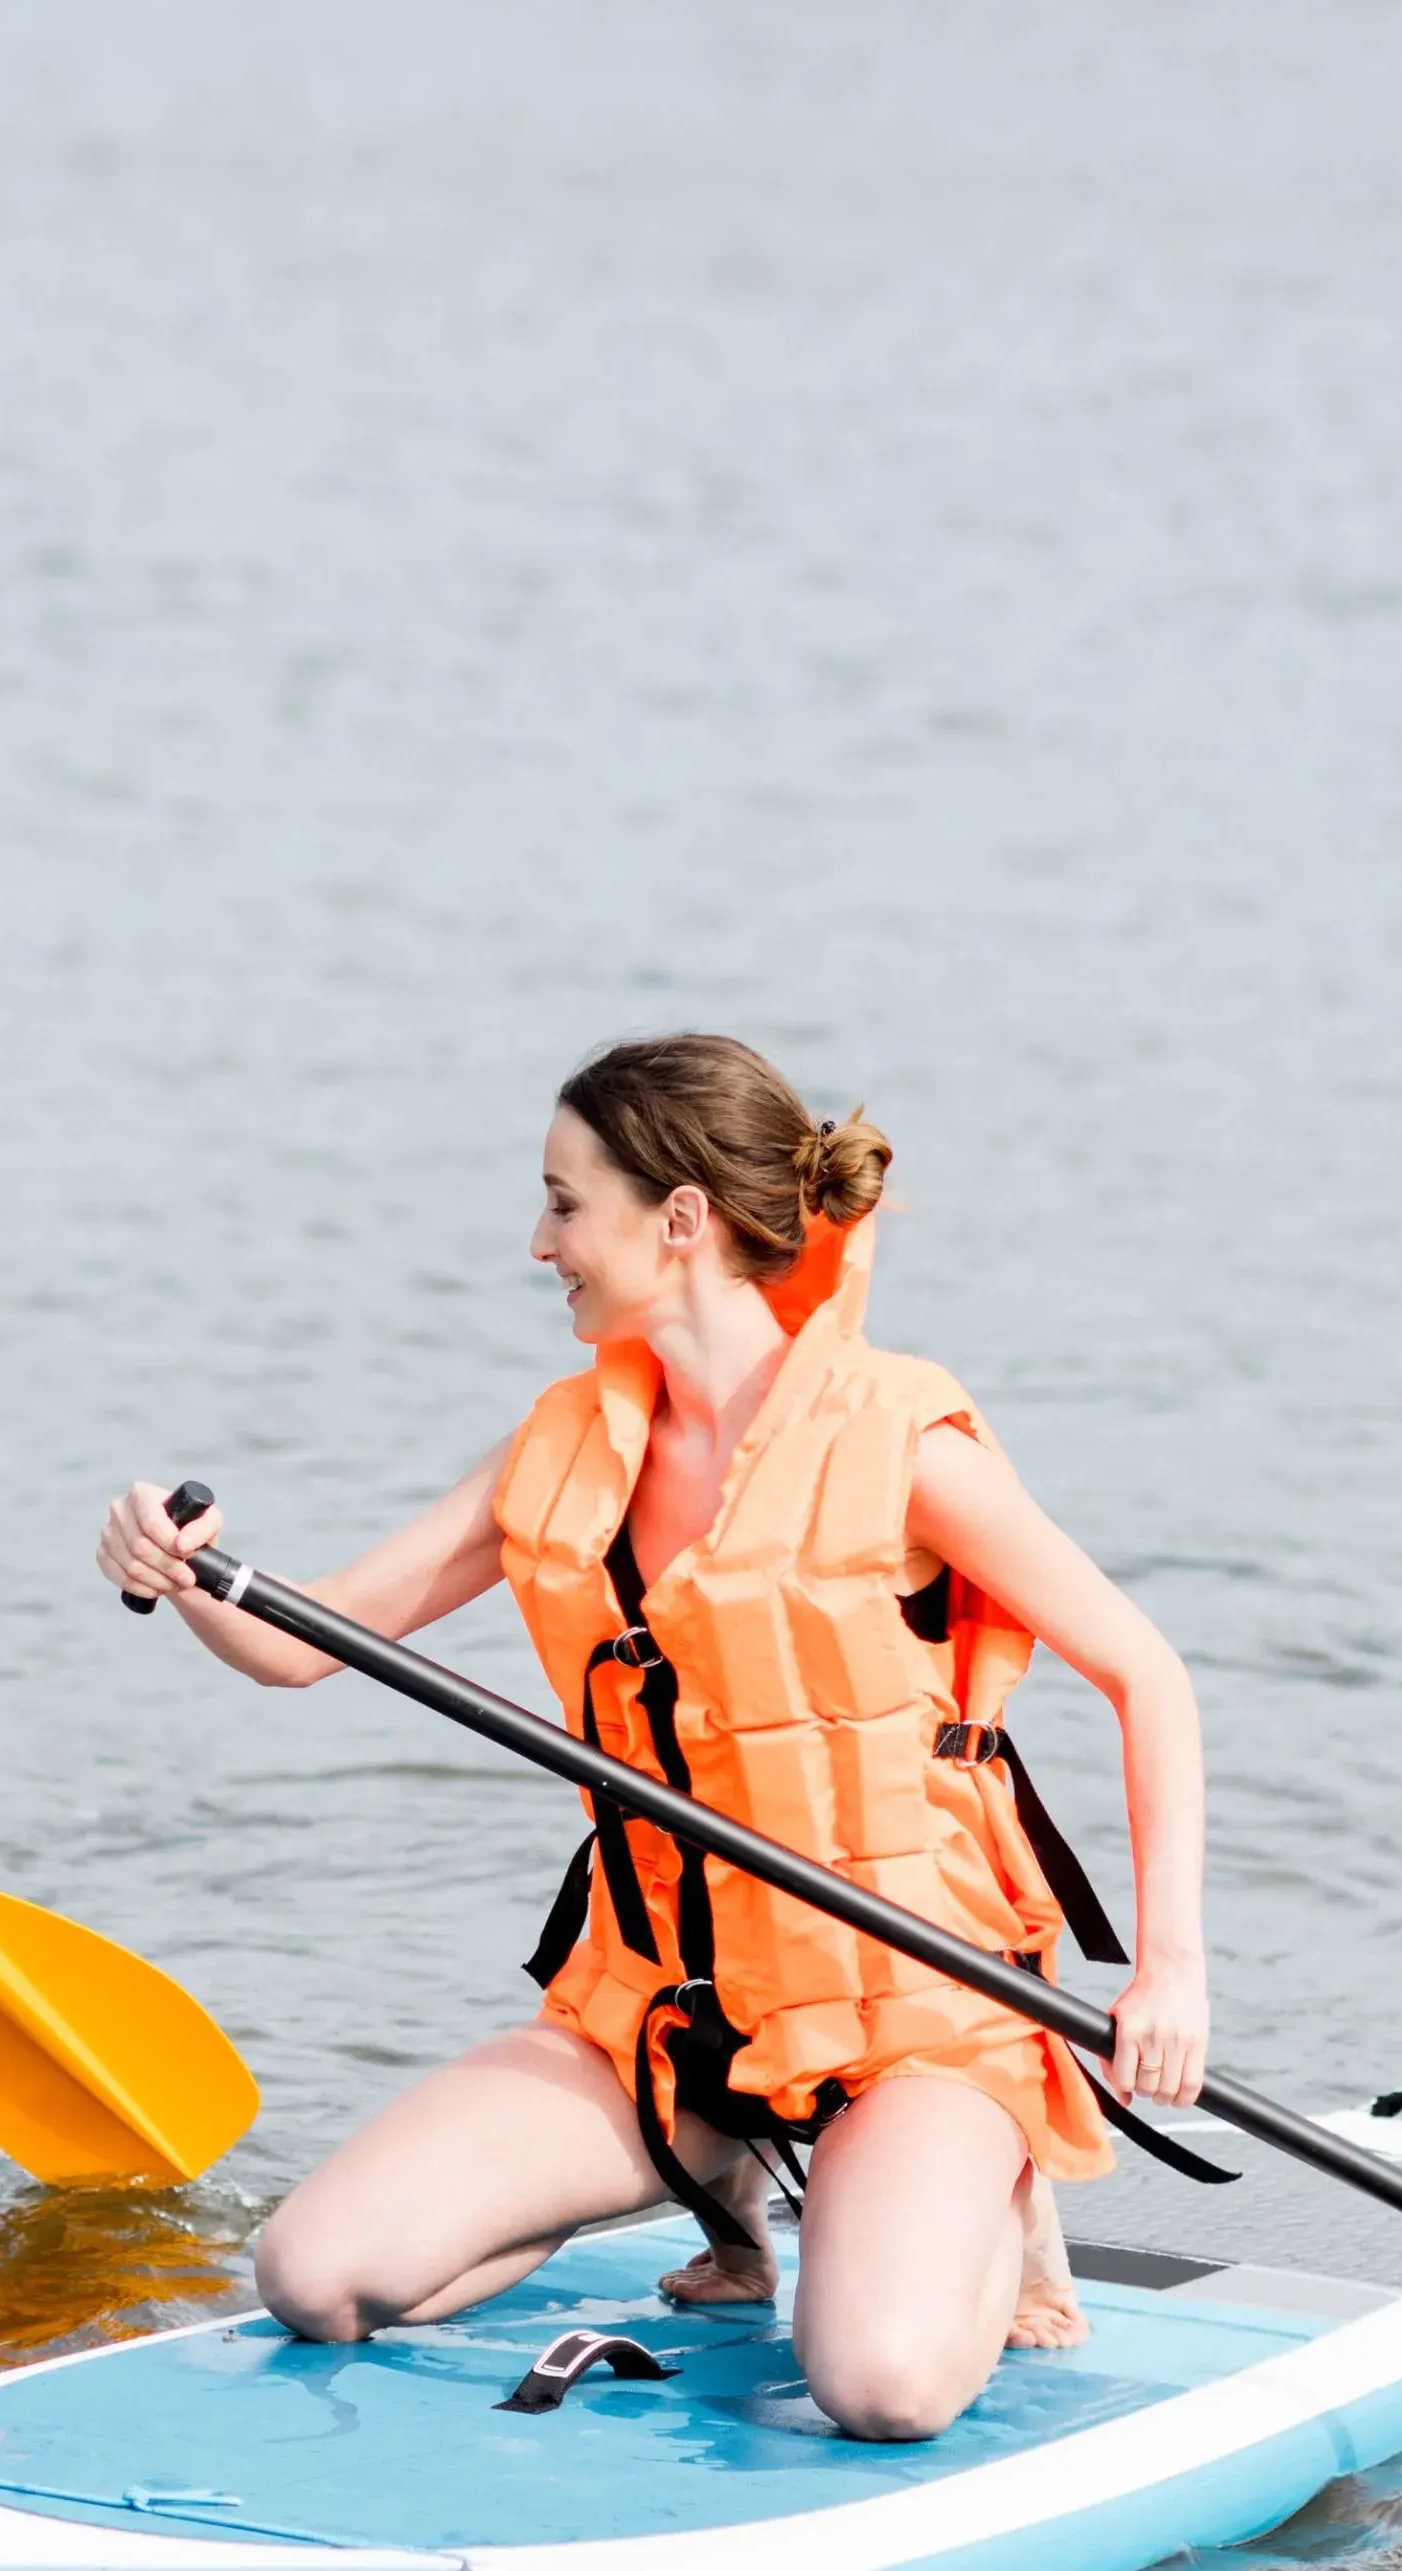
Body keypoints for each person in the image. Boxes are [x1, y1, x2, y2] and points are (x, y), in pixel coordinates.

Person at [95, 1035, 1212, 2441]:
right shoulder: (563, 1446)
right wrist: (175, 1571)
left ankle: (988, 2192)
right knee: (315, 2275)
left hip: (913, 2014)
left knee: (877, 2385)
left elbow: (1146, 1673)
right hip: (674, 2016)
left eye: (565, 1202)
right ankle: (714, 2170)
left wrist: (1169, 1967)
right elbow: (303, 1642)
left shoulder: (900, 1441)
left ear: (677, 1220)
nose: (538, 1240)